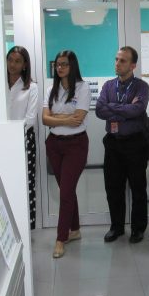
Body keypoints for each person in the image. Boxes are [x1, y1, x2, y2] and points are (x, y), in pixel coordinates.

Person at [96, 46, 149, 244]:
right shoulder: (108, 85)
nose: (117, 63)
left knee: (138, 187)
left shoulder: (141, 87)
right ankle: (116, 227)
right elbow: (100, 110)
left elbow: (138, 110)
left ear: (133, 65)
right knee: (113, 187)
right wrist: (124, 109)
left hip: (135, 143)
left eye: (123, 61)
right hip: (113, 144)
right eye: (116, 59)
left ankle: (138, 228)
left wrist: (113, 108)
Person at [42, 50, 90, 259]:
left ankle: (61, 238)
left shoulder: (82, 88)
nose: (59, 68)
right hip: (54, 144)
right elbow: (45, 119)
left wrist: (56, 117)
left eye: (64, 64)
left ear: (73, 66)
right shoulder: (50, 89)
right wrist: (64, 119)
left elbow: (78, 119)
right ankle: (75, 229)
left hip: (76, 145)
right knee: (66, 190)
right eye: (57, 64)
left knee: (66, 192)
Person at [7, 46, 40, 230]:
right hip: (1, 140)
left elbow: (31, 118)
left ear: (25, 65)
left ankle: (26, 227)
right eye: (10, 60)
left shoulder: (31, 87)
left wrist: (11, 133)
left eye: (18, 61)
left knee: (25, 183)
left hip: (24, 139)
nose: (12, 64)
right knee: (6, 182)